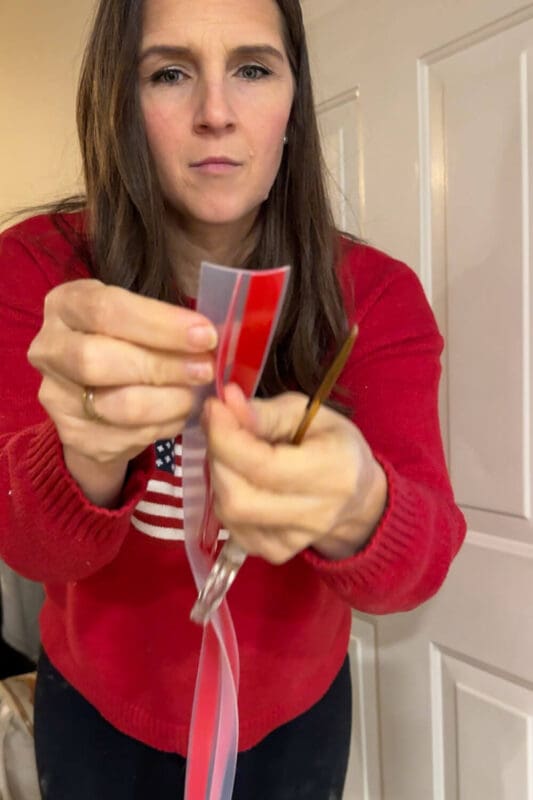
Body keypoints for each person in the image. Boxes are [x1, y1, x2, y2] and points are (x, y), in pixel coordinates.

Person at [0, 0, 466, 797]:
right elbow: (29, 552)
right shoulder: (37, 273)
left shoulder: (376, 298)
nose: (215, 113)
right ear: (119, 100)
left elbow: (416, 571)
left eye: (252, 69)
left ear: (293, 104)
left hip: (292, 722)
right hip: (95, 711)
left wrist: (360, 504)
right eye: (169, 73)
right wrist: (79, 455)